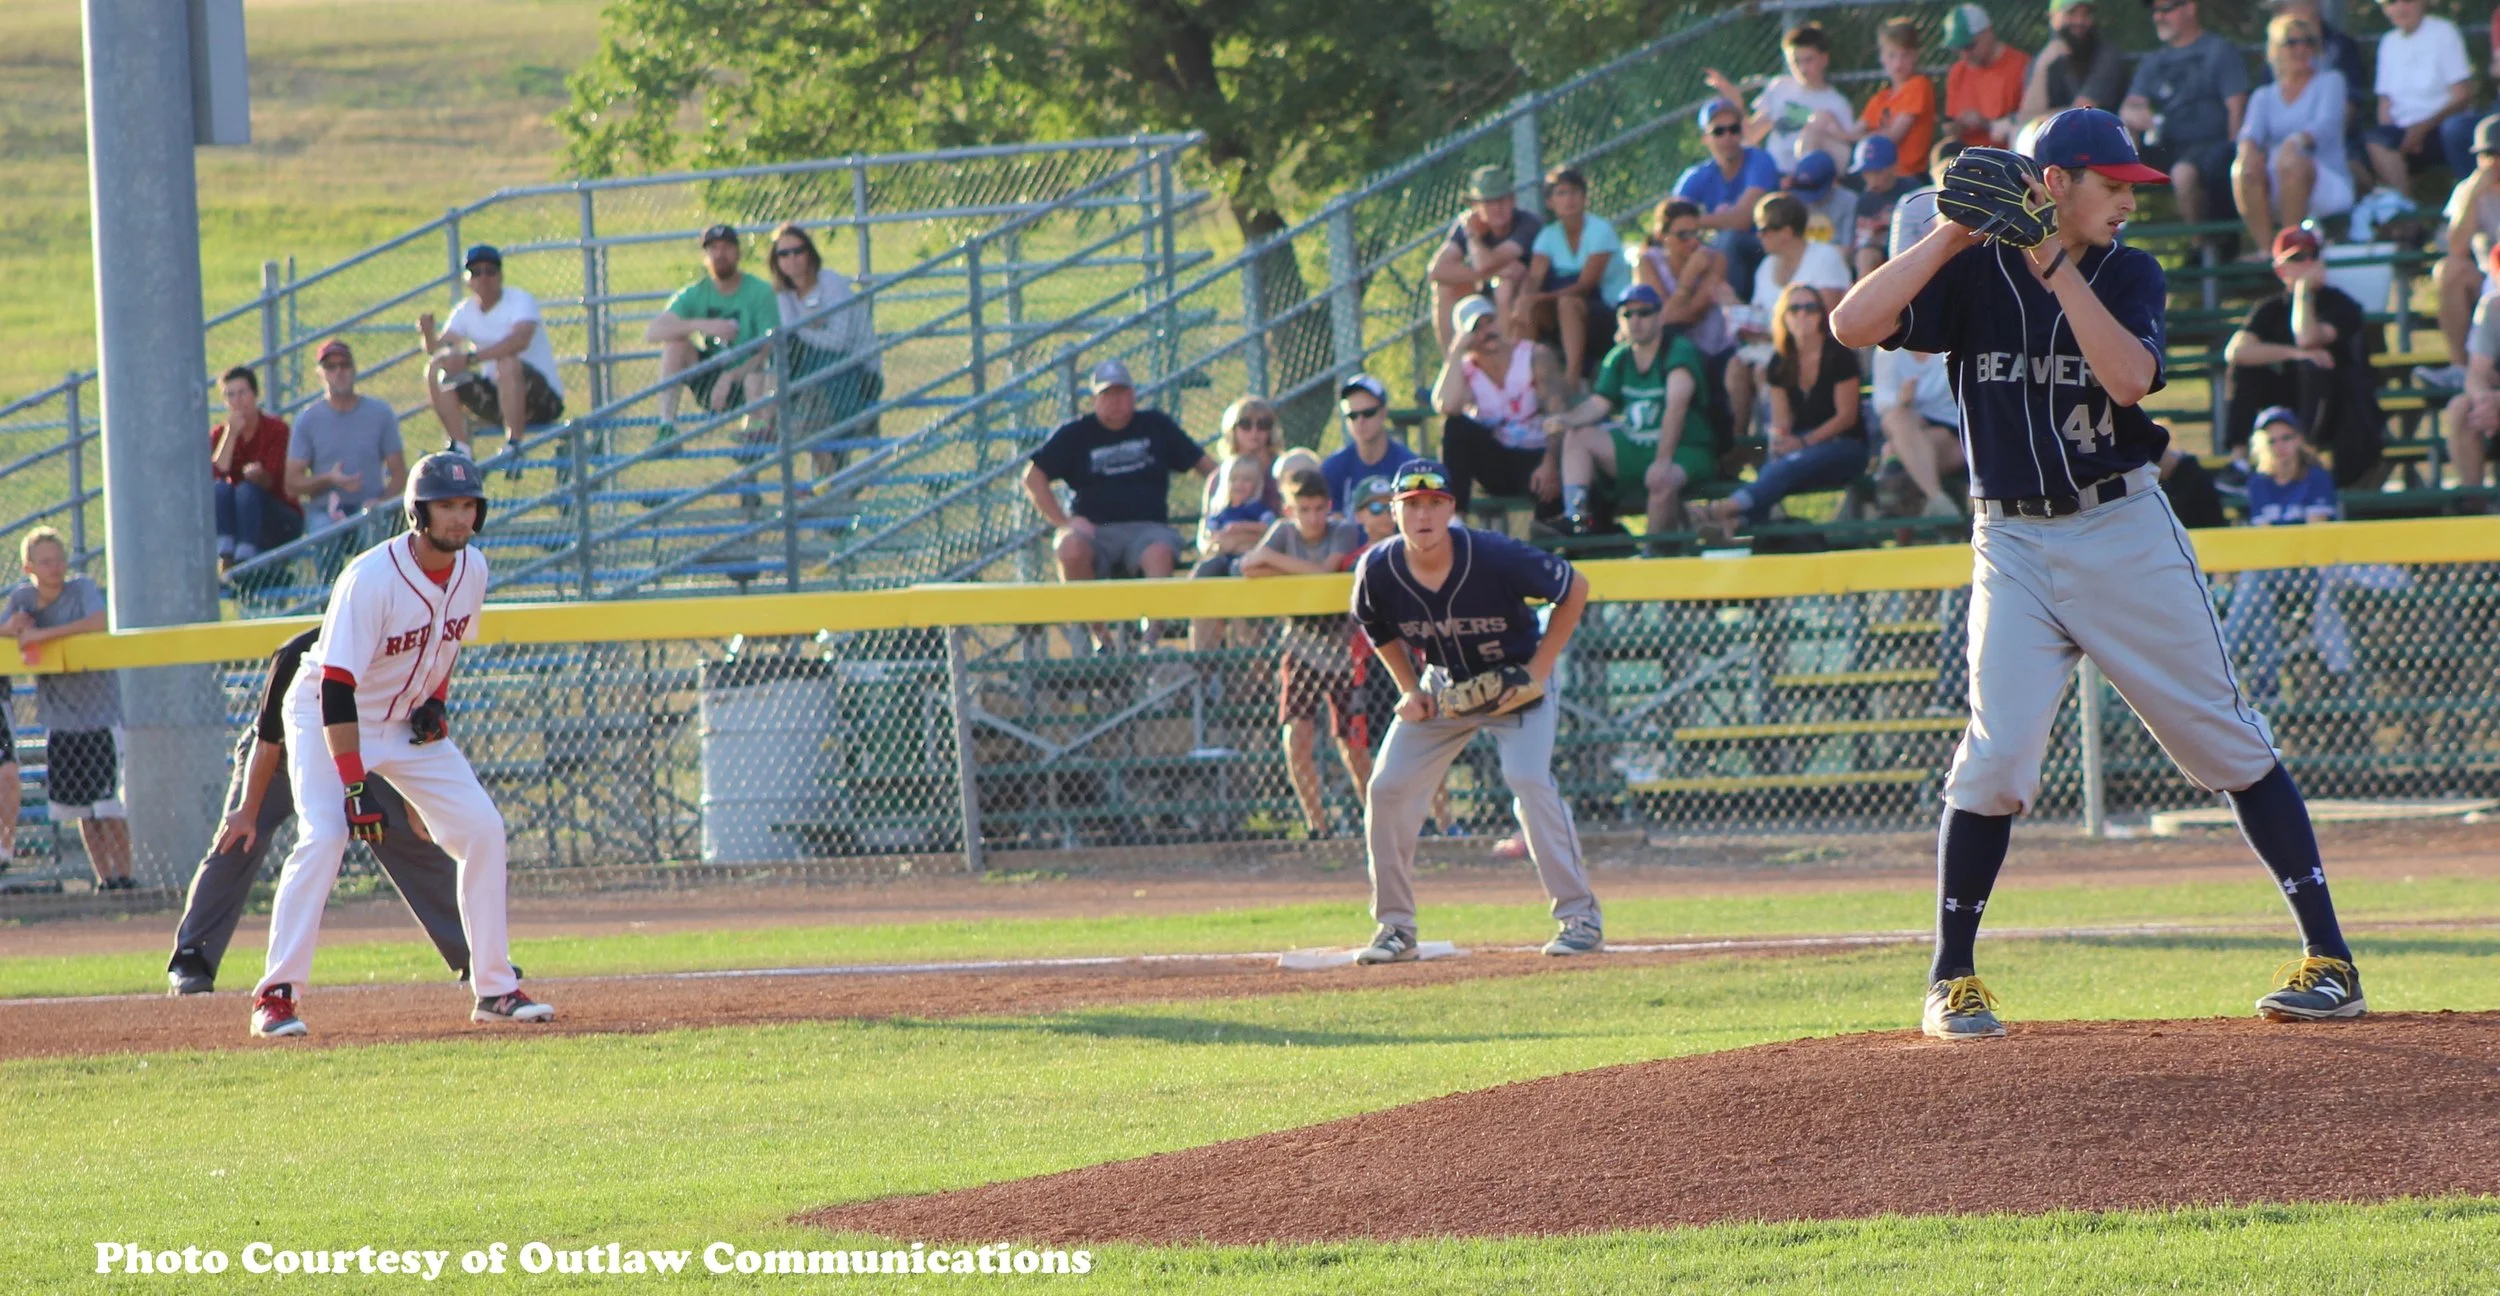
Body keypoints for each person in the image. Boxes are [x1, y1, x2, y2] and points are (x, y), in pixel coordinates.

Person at [1831, 107, 2368, 1039]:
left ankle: (2332, 960)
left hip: (2120, 527)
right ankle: (1950, 977)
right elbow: (1852, 323)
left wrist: (2053, 262)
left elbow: (2126, 378)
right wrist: (1955, 232)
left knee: (2225, 742)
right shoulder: (1970, 271)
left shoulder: (2128, 270)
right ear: (2054, 184)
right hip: (2011, 541)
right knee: (1995, 761)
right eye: (2111, 184)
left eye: (2130, 186)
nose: (2127, 200)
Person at [249, 452, 552, 1038]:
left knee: (484, 830)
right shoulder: (372, 578)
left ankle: (494, 988)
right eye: (446, 506)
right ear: (418, 512)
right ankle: (276, 995)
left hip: (403, 721)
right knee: (327, 833)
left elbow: (447, 647)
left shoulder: (474, 570)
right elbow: (336, 687)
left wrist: (437, 701)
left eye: (468, 505)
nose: (459, 518)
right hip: (325, 717)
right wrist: (356, 783)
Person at [1349, 459, 1602, 963]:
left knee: (1528, 778)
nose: (1423, 515)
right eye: (1412, 505)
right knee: (1387, 787)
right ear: (1394, 512)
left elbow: (1574, 588)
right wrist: (1408, 687)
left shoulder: (1492, 554)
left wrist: (1538, 671)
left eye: (1434, 504)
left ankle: (1580, 918)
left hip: (1515, 686)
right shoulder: (1379, 568)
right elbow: (1376, 627)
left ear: (1450, 509)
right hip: (1444, 687)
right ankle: (1395, 928)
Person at [165, 629, 473, 995]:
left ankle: (473, 953)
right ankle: (191, 955)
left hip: (362, 753)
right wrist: (248, 810)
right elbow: (267, 741)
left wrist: (413, 802)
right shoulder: (297, 653)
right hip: (279, 757)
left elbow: (409, 732)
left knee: (407, 835)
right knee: (240, 836)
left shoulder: (394, 651)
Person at [1241, 470, 1371, 840]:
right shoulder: (1283, 533)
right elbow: (1250, 566)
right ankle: (1318, 824)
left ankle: (1376, 823)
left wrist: (1274, 561)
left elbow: (1324, 571)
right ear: (1290, 510)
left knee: (1353, 746)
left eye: (1318, 509)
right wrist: (1270, 558)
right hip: (1301, 644)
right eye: (1304, 510)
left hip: (1342, 648)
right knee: (1296, 737)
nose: (1313, 518)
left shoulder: (1341, 530)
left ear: (1328, 507)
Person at [1693, 280, 1867, 540]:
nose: (1802, 315)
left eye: (1810, 308)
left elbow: (1846, 417)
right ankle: (1737, 523)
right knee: (1777, 463)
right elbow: (1780, 420)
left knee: (1782, 468)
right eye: (1794, 309)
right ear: (1783, 317)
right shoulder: (1779, 362)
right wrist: (1781, 439)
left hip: (1845, 446)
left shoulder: (1839, 355)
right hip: (1803, 450)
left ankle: (1724, 510)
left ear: (1822, 314)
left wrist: (1803, 442)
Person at [1021, 360, 1216, 591]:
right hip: (1094, 531)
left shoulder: (1156, 425)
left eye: (1121, 393)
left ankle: (1155, 627)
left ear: (1133, 395)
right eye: (1107, 394)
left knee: (1159, 553)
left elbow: (1208, 467)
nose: (1115, 401)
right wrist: (1064, 522)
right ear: (1094, 400)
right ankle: (1094, 627)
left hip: (1149, 529)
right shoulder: (1075, 434)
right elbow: (1033, 477)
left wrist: (1222, 507)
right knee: (1070, 548)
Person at [3, 529, 127, 891]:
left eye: (59, 559)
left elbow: (96, 622)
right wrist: (12, 628)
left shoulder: (82, 588)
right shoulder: (23, 598)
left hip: (99, 713)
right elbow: (9, 632)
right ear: (30, 566)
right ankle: (105, 880)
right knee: (81, 809)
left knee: (109, 807)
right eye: (45, 562)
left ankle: (125, 877)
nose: (55, 567)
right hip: (59, 717)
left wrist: (42, 635)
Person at [1549, 286, 1722, 542]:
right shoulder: (1618, 357)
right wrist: (1566, 420)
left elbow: (1676, 409)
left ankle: (1651, 554)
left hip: (1686, 449)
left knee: (1661, 480)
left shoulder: (1678, 351)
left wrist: (1663, 462)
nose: (1635, 321)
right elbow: (1599, 403)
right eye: (1627, 315)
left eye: (1644, 313)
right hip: (1636, 446)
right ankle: (1576, 518)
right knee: (1579, 435)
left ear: (1660, 317)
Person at [2221, 408, 2361, 706]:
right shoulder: (2260, 483)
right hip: (2274, 575)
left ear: (2299, 441)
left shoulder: (2316, 478)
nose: (2281, 446)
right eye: (2272, 441)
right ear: (2262, 446)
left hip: (2311, 576)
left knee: (2256, 577)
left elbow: (2314, 541)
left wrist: (2278, 546)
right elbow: (2265, 542)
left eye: (2287, 438)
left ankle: (2224, 654)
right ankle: (2266, 688)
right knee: (2261, 601)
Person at [2222, 227, 2383, 485]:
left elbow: (2307, 337)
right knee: (2245, 370)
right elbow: (2236, 352)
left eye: (2312, 256)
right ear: (2280, 269)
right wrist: (2293, 354)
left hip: (2336, 408)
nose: (2307, 264)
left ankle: (2306, 455)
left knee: (2313, 366)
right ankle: (2239, 461)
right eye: (2297, 259)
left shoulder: (2341, 304)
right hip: (2287, 402)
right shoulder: (2270, 309)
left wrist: (2304, 291)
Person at [1726, 193, 1854, 449]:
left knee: (1768, 370)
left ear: (1785, 231)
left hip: (1818, 348)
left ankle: (1775, 445)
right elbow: (1760, 314)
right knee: (1735, 367)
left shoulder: (1824, 257)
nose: (1758, 235)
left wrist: (1770, 334)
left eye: (1763, 229)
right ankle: (1738, 447)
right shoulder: (1765, 267)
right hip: (1774, 344)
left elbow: (1826, 318)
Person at [418, 245, 564, 454]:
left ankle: (514, 444)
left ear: (500, 275)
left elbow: (519, 340)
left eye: (490, 271)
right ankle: (461, 446)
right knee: (435, 369)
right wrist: (428, 334)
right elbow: (438, 349)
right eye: (476, 272)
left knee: (507, 363)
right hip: (497, 399)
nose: (483, 278)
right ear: (467, 279)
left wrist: (471, 359)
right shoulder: (465, 310)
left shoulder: (520, 300)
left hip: (541, 401)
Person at [766, 223, 883, 482]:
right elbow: (789, 333)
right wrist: (809, 325)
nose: (792, 259)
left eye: (798, 251)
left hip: (858, 371)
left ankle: (769, 424)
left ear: (810, 253)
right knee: (785, 356)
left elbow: (839, 340)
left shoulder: (831, 283)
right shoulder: (783, 293)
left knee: (804, 412)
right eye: (783, 254)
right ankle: (835, 484)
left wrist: (800, 328)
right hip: (813, 374)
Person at [1432, 295, 1566, 517]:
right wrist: (1456, 352)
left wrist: (1550, 462)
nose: (1487, 331)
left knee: (1550, 494)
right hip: (1499, 459)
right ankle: (1454, 521)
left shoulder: (1534, 356)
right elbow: (1446, 406)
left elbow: (1557, 413)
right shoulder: (1467, 370)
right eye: (1477, 328)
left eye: (1490, 322)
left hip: (1538, 457)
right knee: (1454, 427)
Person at [2121, 0, 2249, 227]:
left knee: (2184, 173)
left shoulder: (2218, 51)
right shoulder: (2154, 61)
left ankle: (2201, 249)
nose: (2158, 17)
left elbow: (2236, 109)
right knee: (2122, 137)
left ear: (2190, 8)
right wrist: (2139, 115)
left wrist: (2233, 154)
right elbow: (2129, 107)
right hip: (2166, 147)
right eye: (2155, 11)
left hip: (2212, 149)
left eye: (2166, 10)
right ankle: (2114, 224)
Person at [2234, 13, 2356, 251]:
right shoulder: (2263, 96)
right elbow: (2248, 135)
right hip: (2275, 182)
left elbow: (2327, 126)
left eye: (2308, 42)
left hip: (2327, 182)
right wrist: (2247, 151)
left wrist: (2294, 141)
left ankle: (2292, 250)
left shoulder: (2331, 81)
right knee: (2242, 168)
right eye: (2292, 42)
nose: (2301, 48)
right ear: (2276, 49)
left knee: (2291, 162)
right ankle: (2267, 250)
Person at [647, 225, 781, 436]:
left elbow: (771, 346)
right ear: (705, 256)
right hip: (712, 378)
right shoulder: (696, 292)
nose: (720, 254)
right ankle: (667, 426)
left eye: (727, 248)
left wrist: (731, 375)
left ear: (738, 252)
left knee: (757, 371)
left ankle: (756, 431)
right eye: (713, 249)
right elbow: (653, 332)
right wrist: (700, 325)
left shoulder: (760, 292)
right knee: (676, 344)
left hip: (750, 378)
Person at [286, 339, 408, 542]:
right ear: (320, 373)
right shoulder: (307, 419)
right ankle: (329, 576)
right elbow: (292, 483)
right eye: (331, 367)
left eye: (344, 365)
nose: (339, 372)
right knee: (324, 532)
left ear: (354, 369)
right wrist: (328, 479)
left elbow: (399, 474)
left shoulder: (380, 413)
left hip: (370, 507)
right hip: (324, 509)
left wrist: (380, 502)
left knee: (372, 533)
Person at [1524, 166, 1633, 383]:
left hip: (1611, 311)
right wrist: (1524, 301)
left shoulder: (1600, 231)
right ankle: (1526, 381)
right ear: (1550, 202)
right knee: (1527, 308)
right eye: (1561, 193)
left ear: (1584, 197)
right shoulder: (1548, 236)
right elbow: (1534, 278)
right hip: (1568, 313)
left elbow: (1586, 285)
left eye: (1574, 192)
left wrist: (1541, 298)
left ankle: (1572, 379)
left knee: (1568, 303)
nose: (1569, 199)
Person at [1704, 22, 1855, 176]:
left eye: (1808, 60)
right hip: (1774, 174)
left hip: (1811, 179)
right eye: (1796, 62)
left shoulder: (1836, 103)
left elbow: (1843, 153)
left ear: (1824, 59)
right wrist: (1737, 102)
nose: (1802, 68)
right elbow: (1750, 136)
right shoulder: (1779, 88)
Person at [1674, 99, 1784, 301]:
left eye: (1733, 129)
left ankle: (1732, 315)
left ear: (1741, 131)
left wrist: (1693, 222)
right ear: (1705, 138)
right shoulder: (1697, 175)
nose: (1728, 137)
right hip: (1720, 256)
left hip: (1765, 249)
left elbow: (1742, 220)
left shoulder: (1759, 161)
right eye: (1718, 131)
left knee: (1728, 240)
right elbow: (1671, 222)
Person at [1429, 165, 1542, 350]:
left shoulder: (1527, 224)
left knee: (1503, 285)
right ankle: (1452, 360)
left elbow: (1485, 264)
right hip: (1485, 294)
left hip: (1526, 300)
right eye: (1489, 202)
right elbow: (1437, 271)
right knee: (1444, 288)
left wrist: (1473, 238)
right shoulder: (1466, 224)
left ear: (1513, 200)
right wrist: (1488, 275)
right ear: (1475, 206)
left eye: (1502, 200)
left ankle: (1505, 356)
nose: (1497, 208)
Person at [2366, 0, 2473, 194]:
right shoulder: (2388, 42)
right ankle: (2405, 216)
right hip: (2401, 133)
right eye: (2391, 2)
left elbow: (2462, 95)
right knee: (2373, 143)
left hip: (2440, 130)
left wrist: (2423, 128)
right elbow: (2385, 103)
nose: (2400, 8)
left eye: (2407, 0)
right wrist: (2393, 136)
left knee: (2455, 131)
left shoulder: (2444, 32)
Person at [2427, 119, 2500, 392]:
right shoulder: (2469, 190)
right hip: (2488, 280)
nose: (2492, 163)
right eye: (2486, 155)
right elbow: (2456, 247)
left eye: (2497, 154)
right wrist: (2472, 196)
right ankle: (2460, 368)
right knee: (2450, 270)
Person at [2253, 0, 2373, 160]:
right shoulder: (2273, 63)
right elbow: (2256, 126)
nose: (2278, 15)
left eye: (2283, 7)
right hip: (2278, 154)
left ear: (2312, 5)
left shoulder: (2342, 48)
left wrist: (2313, 141)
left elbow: (2348, 108)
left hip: (2338, 147)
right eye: (2291, 44)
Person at [209, 365, 301, 572]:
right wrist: (231, 434)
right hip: (238, 520)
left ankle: (244, 559)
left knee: (247, 490)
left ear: (255, 394)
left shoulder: (276, 429)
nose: (237, 401)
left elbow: (275, 479)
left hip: (278, 516)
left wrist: (259, 476)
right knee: (221, 490)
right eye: (230, 395)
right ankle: (226, 552)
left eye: (243, 393)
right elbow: (216, 475)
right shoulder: (220, 435)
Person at [1876, 347, 1967, 517]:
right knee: (1895, 418)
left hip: (1954, 431)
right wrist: (1901, 399)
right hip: (1910, 430)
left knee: (1893, 454)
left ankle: (1906, 534)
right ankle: (1937, 498)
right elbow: (1881, 402)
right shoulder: (1887, 351)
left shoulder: (1949, 345)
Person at [2440, 241, 2500, 492]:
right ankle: (2474, 506)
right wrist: (2485, 400)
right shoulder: (2493, 307)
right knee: (2462, 409)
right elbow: (2475, 373)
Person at [2019, 0, 2130, 128]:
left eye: (2086, 14)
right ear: (2052, 17)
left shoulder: (2107, 56)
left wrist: (2034, 119)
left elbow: (2082, 113)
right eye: (2071, 13)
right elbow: (2026, 118)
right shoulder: (2043, 59)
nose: (2079, 21)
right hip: (2052, 136)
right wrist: (2042, 67)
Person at [1321, 375, 1416, 517]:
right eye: (1352, 415)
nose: (1360, 421)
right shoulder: (1333, 468)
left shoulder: (1407, 466)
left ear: (1384, 413)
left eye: (1368, 413)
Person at [1857, 19, 1939, 179]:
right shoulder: (1880, 98)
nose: (1898, 63)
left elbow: (1892, 137)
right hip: (1877, 176)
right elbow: (1852, 133)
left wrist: (1858, 139)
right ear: (1882, 56)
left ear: (1916, 55)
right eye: (1892, 55)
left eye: (1905, 56)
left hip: (1907, 176)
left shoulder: (1919, 85)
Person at [1943, 3, 2031, 149]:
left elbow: (2028, 123)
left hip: (2007, 156)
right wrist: (1954, 128)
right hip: (1966, 156)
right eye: (1958, 49)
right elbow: (1951, 124)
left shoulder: (2021, 66)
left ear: (1988, 32)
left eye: (1969, 46)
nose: (1964, 55)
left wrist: (1984, 123)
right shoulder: (1958, 71)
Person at [1200, 396, 1285, 524]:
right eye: (1245, 424)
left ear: (1271, 430)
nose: (1254, 431)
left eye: (1263, 424)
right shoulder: (1219, 477)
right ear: (1232, 429)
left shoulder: (1284, 470)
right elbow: (1205, 535)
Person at [1889, 138, 1971, 260]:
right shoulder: (1912, 203)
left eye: (1961, 171)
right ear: (1933, 174)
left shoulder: (1987, 201)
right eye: (1945, 171)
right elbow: (1899, 261)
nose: (1952, 178)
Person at [1847, 136, 1918, 278]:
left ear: (1894, 167)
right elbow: (1858, 245)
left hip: (1909, 256)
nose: (1872, 179)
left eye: (1878, 172)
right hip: (1877, 264)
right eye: (1867, 172)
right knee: (1866, 255)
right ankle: (1863, 297)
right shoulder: (1865, 200)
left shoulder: (1912, 191)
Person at [1785, 151, 1860, 253]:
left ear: (1834, 181)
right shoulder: (1794, 200)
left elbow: (1847, 249)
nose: (1811, 201)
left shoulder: (1849, 200)